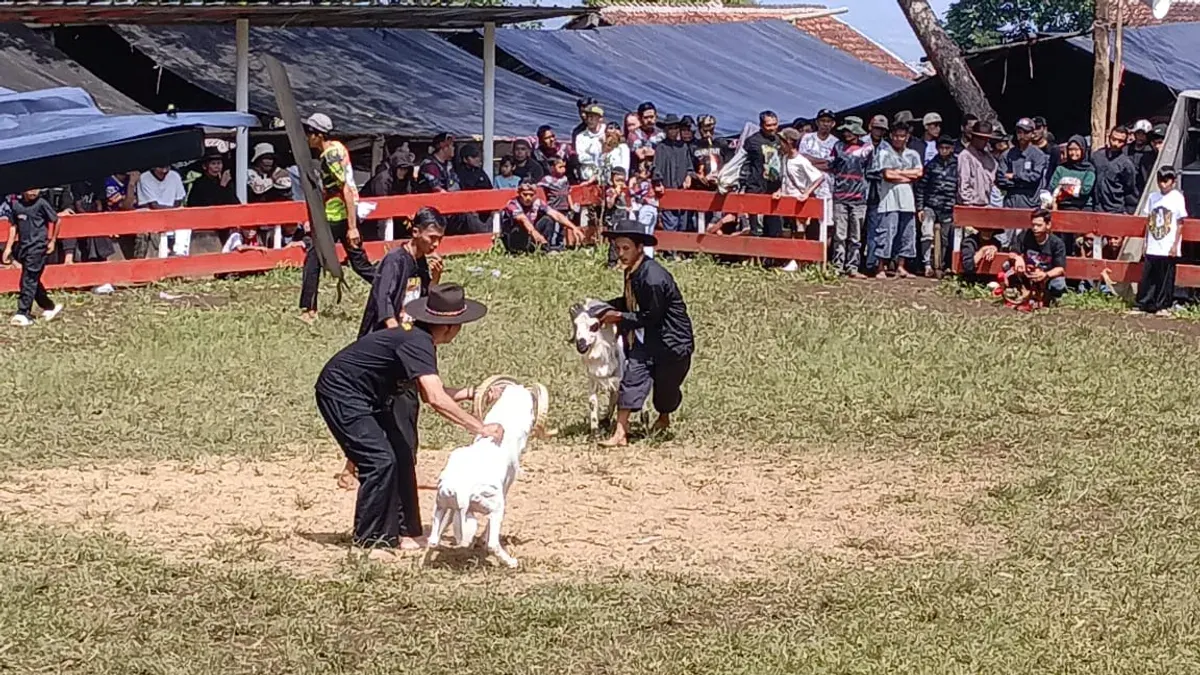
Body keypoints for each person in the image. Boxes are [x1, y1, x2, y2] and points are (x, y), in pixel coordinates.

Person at [315, 283, 500, 550]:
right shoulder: (417, 342)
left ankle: (406, 532)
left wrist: (474, 392)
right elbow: (436, 399)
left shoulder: (418, 338)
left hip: (370, 396)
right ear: (450, 326)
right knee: (379, 460)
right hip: (342, 392)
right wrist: (480, 428)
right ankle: (370, 541)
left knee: (401, 455)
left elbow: (429, 391)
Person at [597, 219, 694, 447]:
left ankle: (663, 418)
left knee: (666, 389)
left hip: (672, 342)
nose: (620, 254)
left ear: (639, 248)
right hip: (647, 339)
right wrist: (601, 307)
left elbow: (652, 316)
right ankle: (620, 432)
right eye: (617, 248)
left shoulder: (652, 278)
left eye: (626, 248)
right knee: (632, 378)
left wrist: (618, 317)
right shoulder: (633, 271)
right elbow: (630, 303)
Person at [297, 112, 375, 324]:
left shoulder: (329, 157)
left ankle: (308, 310)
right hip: (337, 214)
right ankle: (392, 288)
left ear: (318, 135)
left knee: (314, 259)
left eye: (309, 133)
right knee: (359, 264)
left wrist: (352, 227)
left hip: (338, 216)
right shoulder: (338, 148)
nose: (307, 137)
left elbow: (346, 189)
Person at [869, 120, 923, 278]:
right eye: (896, 136)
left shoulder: (913, 154)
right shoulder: (884, 153)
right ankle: (880, 267)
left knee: (907, 234)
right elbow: (887, 175)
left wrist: (898, 173)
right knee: (886, 233)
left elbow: (919, 173)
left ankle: (901, 266)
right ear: (891, 136)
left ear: (907, 137)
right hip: (889, 200)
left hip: (907, 201)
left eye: (902, 136)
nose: (899, 139)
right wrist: (907, 175)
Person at [3, 188, 64, 326]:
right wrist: (8, 248)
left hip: (38, 248)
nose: (33, 192)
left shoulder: (42, 203)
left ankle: (23, 312)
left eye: (36, 189)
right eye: (30, 189)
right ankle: (49, 307)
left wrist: (53, 240)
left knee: (28, 280)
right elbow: (13, 226)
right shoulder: (16, 206)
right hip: (23, 247)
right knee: (32, 279)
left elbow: (56, 220)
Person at [1135, 166, 1186, 315]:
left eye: (1166, 181)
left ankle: (1163, 305)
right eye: (1160, 181)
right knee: (1148, 275)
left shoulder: (1177, 198)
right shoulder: (1153, 197)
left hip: (1168, 243)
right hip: (1153, 241)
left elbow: (1180, 222)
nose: (1163, 184)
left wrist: (1175, 245)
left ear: (1173, 182)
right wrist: (1145, 242)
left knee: (1165, 277)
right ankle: (1144, 303)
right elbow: (1148, 220)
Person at [957, 120, 1002, 277]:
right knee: (969, 241)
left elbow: (994, 177)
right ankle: (966, 271)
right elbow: (964, 184)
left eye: (986, 138)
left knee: (990, 240)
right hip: (971, 206)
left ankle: (985, 272)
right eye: (980, 138)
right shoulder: (965, 156)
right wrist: (969, 207)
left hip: (986, 205)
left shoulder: (989, 158)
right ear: (973, 137)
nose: (983, 141)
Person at [829, 117, 871, 278]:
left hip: (859, 197)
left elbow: (871, 171)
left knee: (855, 236)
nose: (847, 133)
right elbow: (832, 166)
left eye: (850, 130)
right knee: (839, 234)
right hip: (840, 195)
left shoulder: (867, 149)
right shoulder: (838, 147)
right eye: (845, 130)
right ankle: (837, 266)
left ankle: (852, 266)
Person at [1004, 208, 1067, 309]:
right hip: (1027, 274)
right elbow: (1012, 252)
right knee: (1007, 266)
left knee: (1058, 284)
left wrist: (1045, 275)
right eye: (1033, 225)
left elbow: (1060, 269)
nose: (1035, 228)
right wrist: (1017, 258)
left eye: (1039, 225)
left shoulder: (1057, 243)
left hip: (1045, 276)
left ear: (1048, 225)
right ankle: (1018, 294)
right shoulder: (1025, 235)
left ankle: (1050, 299)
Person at [916, 136, 958, 276]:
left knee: (946, 238)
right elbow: (921, 187)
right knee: (927, 233)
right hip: (931, 205)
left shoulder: (958, 165)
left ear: (952, 149)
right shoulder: (931, 165)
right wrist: (920, 207)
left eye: (947, 148)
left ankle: (942, 264)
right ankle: (927, 264)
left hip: (948, 207)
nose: (944, 151)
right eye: (941, 148)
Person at [500, 179, 580, 254]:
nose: (528, 198)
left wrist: (573, 228)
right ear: (519, 193)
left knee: (548, 219)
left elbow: (556, 214)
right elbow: (523, 219)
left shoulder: (537, 202)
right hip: (514, 237)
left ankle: (543, 248)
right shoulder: (512, 204)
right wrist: (534, 232)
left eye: (531, 195)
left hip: (531, 234)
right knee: (520, 226)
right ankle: (519, 251)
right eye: (525, 194)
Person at [799, 109, 838, 241]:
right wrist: (821, 162)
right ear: (817, 122)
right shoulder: (807, 138)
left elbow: (832, 165)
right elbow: (803, 159)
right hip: (808, 186)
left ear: (833, 124)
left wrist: (812, 161)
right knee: (805, 220)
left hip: (827, 187)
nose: (825, 124)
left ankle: (822, 256)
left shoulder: (836, 142)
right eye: (822, 121)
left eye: (828, 121)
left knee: (826, 222)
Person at [743, 110, 783, 237]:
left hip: (774, 190)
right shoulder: (752, 141)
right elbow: (742, 162)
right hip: (756, 188)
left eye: (775, 124)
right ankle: (754, 256)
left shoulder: (780, 140)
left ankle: (770, 257)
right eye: (769, 125)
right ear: (761, 125)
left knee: (774, 229)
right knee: (756, 229)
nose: (772, 128)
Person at [653, 114, 695, 234]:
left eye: (676, 128)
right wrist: (658, 182)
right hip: (668, 190)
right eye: (671, 128)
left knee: (682, 224)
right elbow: (657, 169)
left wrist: (688, 176)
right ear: (666, 130)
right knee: (670, 223)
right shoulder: (661, 147)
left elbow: (689, 167)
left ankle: (678, 251)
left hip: (682, 191)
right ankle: (670, 252)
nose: (674, 131)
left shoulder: (683, 147)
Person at [997, 118, 1048, 210]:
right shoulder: (1007, 155)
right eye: (1019, 132)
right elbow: (1001, 179)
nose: (1022, 135)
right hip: (1010, 202)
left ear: (1032, 133)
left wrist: (1015, 177)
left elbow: (1035, 177)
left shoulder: (1039, 155)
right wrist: (1022, 183)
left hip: (1030, 203)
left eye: (1026, 132)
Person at [138, 164, 188, 256]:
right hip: (152, 215)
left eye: (167, 167)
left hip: (172, 212)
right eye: (161, 167)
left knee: (184, 217)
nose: (164, 171)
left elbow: (179, 199)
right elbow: (153, 205)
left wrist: (171, 212)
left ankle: (181, 254)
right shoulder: (144, 177)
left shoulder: (174, 175)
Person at [1092, 125, 1140, 216]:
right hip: (1095, 208)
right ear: (1109, 137)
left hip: (1115, 210)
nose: (1115, 143)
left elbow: (1130, 188)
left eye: (1120, 141)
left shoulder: (1127, 164)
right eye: (1113, 139)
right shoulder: (1097, 156)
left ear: (1125, 143)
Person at [574, 103, 606, 183]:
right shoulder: (581, 137)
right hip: (587, 179)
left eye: (592, 117)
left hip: (605, 178)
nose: (589, 120)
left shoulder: (608, 132)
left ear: (600, 118)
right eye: (588, 117)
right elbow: (582, 157)